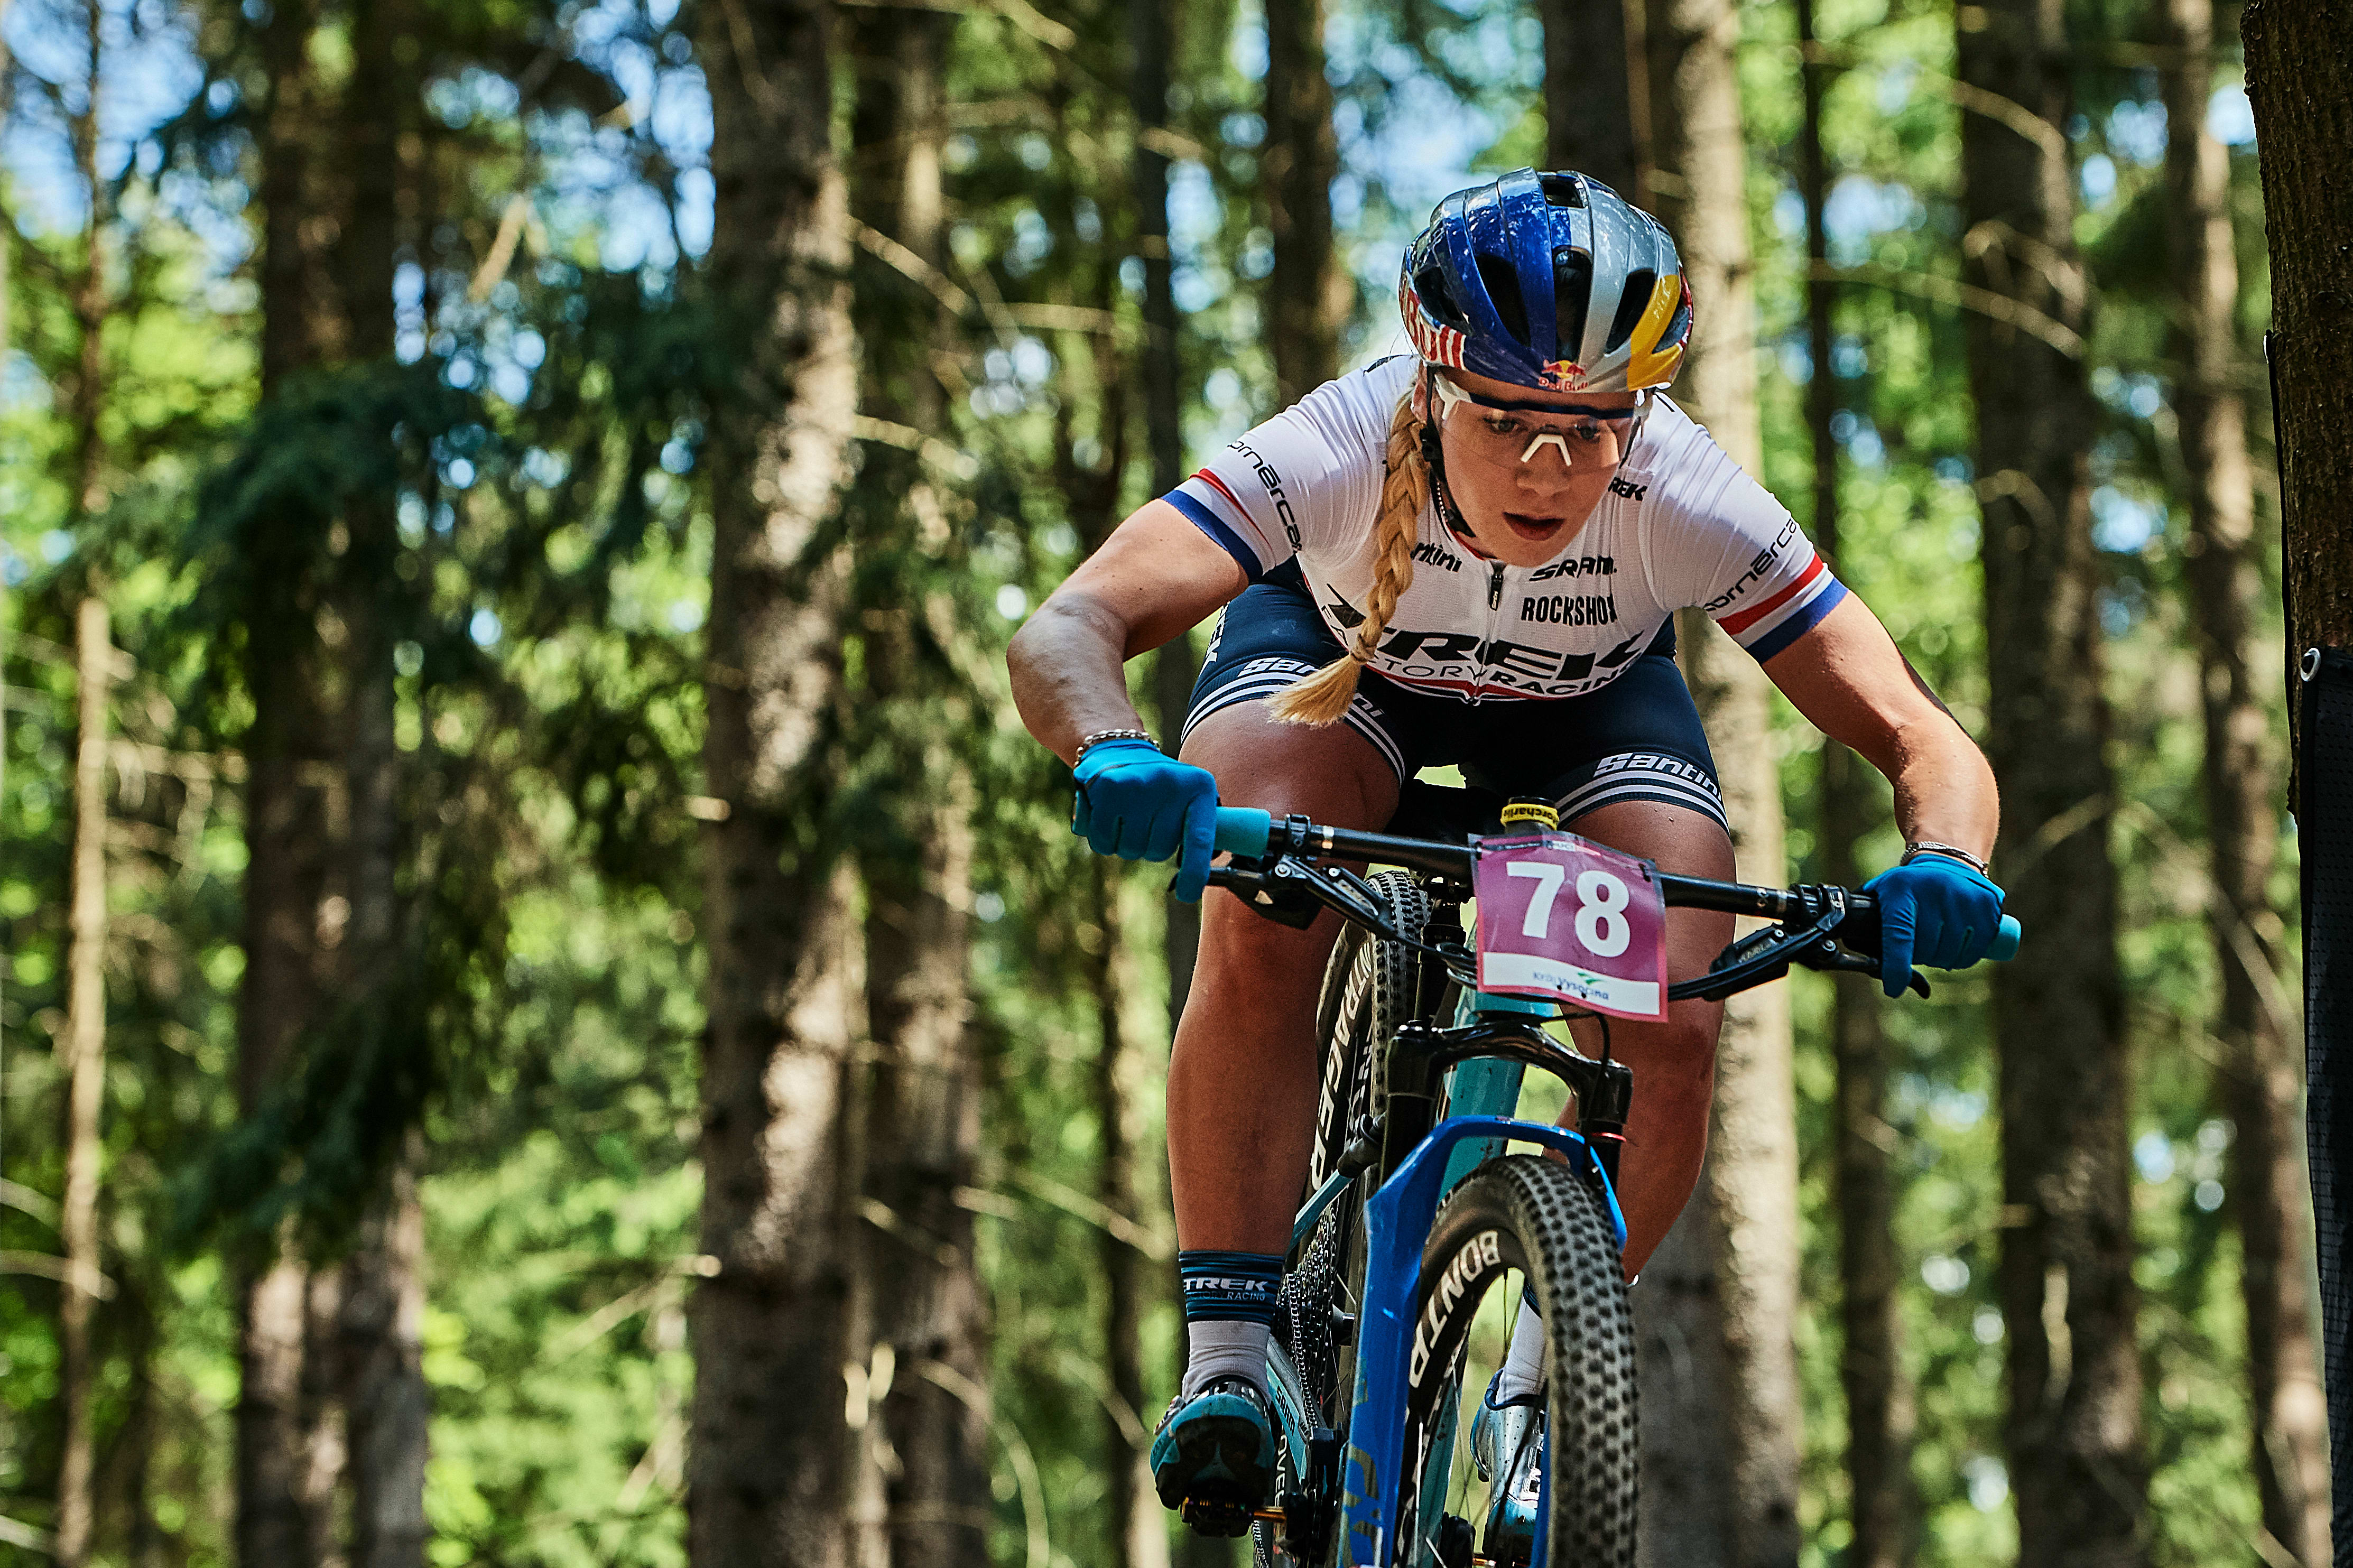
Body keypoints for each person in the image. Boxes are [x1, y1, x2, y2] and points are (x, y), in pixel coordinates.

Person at [1006, 168, 2005, 1539]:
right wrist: (1111, 748)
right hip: (1337, 681)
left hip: (1584, 715)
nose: (1551, 467)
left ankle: (1545, 1383)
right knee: (1259, 895)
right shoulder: (1343, 443)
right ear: (1430, 383)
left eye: (1592, 430)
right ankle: (1230, 1352)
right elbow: (1070, 625)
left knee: (1671, 1002)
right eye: (1510, 421)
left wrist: (1943, 859)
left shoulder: (1689, 497)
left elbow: (1917, 734)